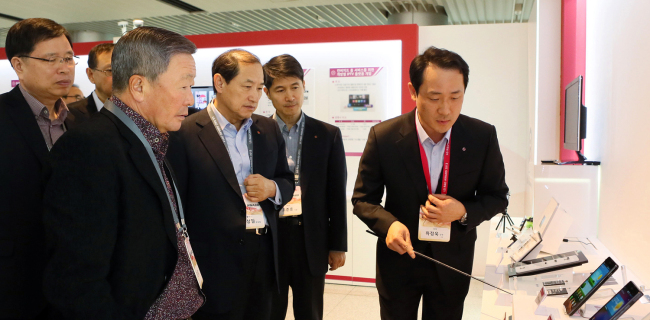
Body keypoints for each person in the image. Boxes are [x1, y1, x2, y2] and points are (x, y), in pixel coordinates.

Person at [42, 26, 204, 319]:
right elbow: (77, 280)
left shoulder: (156, 139)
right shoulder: (89, 148)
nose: (190, 99)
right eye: (183, 86)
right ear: (139, 86)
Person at [352, 46, 509, 320]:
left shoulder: (481, 137)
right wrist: (389, 224)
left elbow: (498, 196)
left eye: (455, 97)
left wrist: (462, 212)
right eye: (434, 97)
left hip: (452, 263)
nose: (445, 109)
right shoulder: (385, 137)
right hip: (399, 260)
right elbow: (363, 199)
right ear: (413, 91)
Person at [167, 49, 294, 320]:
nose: (254, 97)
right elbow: (176, 206)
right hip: (213, 262)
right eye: (246, 87)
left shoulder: (268, 129)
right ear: (220, 83)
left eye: (260, 88)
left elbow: (286, 179)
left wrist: (272, 188)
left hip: (263, 255)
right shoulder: (186, 133)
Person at [0, 17, 81, 320]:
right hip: (15, 283)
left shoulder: (80, 124)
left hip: (74, 283)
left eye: (68, 58)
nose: (64, 68)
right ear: (18, 65)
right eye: (51, 59)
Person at [262, 54, 347, 320]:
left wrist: (338, 244)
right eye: (280, 89)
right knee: (269, 311)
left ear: (303, 85)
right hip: (270, 239)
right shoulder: (256, 131)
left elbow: (336, 193)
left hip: (311, 239)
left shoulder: (327, 135)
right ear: (267, 93)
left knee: (309, 312)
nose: (290, 96)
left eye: (295, 87)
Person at [68, 43, 114, 117]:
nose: (120, 76)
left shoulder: (137, 112)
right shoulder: (70, 115)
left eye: (124, 70)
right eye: (110, 70)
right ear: (91, 75)